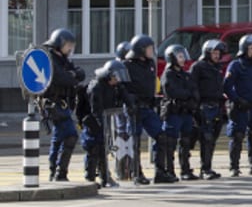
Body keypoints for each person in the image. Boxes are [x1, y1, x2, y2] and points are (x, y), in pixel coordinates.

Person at [41, 28, 85, 181]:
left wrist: (73, 75)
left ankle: (55, 171)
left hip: (64, 103)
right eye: (68, 44)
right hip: (53, 103)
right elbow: (62, 78)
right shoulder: (50, 59)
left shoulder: (64, 60)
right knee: (71, 135)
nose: (70, 48)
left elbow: (80, 73)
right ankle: (61, 172)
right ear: (59, 43)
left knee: (59, 138)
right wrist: (72, 76)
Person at [223, 34, 252, 177]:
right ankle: (234, 167)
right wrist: (236, 100)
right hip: (240, 107)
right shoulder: (236, 65)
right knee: (237, 135)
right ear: (244, 49)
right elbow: (226, 87)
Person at [82, 60, 132, 188]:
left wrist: (132, 106)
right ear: (109, 75)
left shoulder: (115, 86)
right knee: (94, 149)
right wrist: (101, 125)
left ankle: (105, 178)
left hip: (105, 120)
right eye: (116, 77)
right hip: (93, 121)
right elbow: (95, 109)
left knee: (104, 149)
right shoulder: (96, 87)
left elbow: (126, 98)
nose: (118, 80)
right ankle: (90, 178)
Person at [123, 34, 165, 185]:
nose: (151, 51)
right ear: (140, 50)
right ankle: (136, 173)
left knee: (162, 136)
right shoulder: (127, 65)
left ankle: (160, 171)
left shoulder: (150, 64)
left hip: (148, 107)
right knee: (134, 141)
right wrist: (130, 100)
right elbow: (122, 88)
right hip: (134, 109)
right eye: (149, 48)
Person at [159, 44, 200, 183]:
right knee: (170, 142)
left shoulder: (186, 75)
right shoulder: (168, 74)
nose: (182, 59)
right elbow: (173, 92)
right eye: (180, 56)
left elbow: (194, 90)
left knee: (186, 141)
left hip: (186, 112)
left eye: (183, 56)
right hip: (174, 112)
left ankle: (185, 169)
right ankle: (169, 170)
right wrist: (188, 95)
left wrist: (191, 98)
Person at [189, 39, 226, 180]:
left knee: (213, 139)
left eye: (218, 53)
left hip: (216, 106)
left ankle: (208, 166)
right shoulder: (198, 67)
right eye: (214, 53)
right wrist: (196, 107)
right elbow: (193, 87)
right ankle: (203, 169)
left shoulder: (217, 68)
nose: (217, 56)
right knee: (205, 138)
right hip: (203, 107)